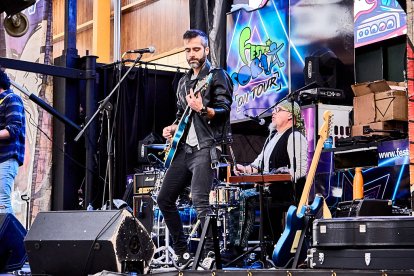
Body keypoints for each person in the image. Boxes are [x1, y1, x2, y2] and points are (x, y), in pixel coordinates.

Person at [157, 29, 233, 265]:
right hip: (183, 149)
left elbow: (224, 110)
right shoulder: (183, 83)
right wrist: (172, 128)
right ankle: (182, 252)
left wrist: (203, 108)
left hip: (206, 146)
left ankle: (211, 254)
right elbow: (182, 114)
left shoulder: (217, 76)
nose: (191, 54)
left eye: (196, 49)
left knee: (200, 200)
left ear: (206, 50)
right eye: (187, 50)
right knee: (164, 199)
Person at [233, 99, 308, 252]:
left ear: (290, 116)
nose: (273, 113)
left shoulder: (295, 137)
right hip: (272, 190)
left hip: (287, 193)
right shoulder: (271, 138)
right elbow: (258, 165)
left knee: (245, 197)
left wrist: (280, 176)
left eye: (278, 110)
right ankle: (250, 246)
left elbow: (301, 169)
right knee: (240, 197)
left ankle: (238, 248)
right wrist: (244, 169)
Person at [0, 68, 25, 214]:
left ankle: (12, 237)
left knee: (2, 202)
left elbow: (13, 129)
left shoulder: (11, 99)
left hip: (6, 158)